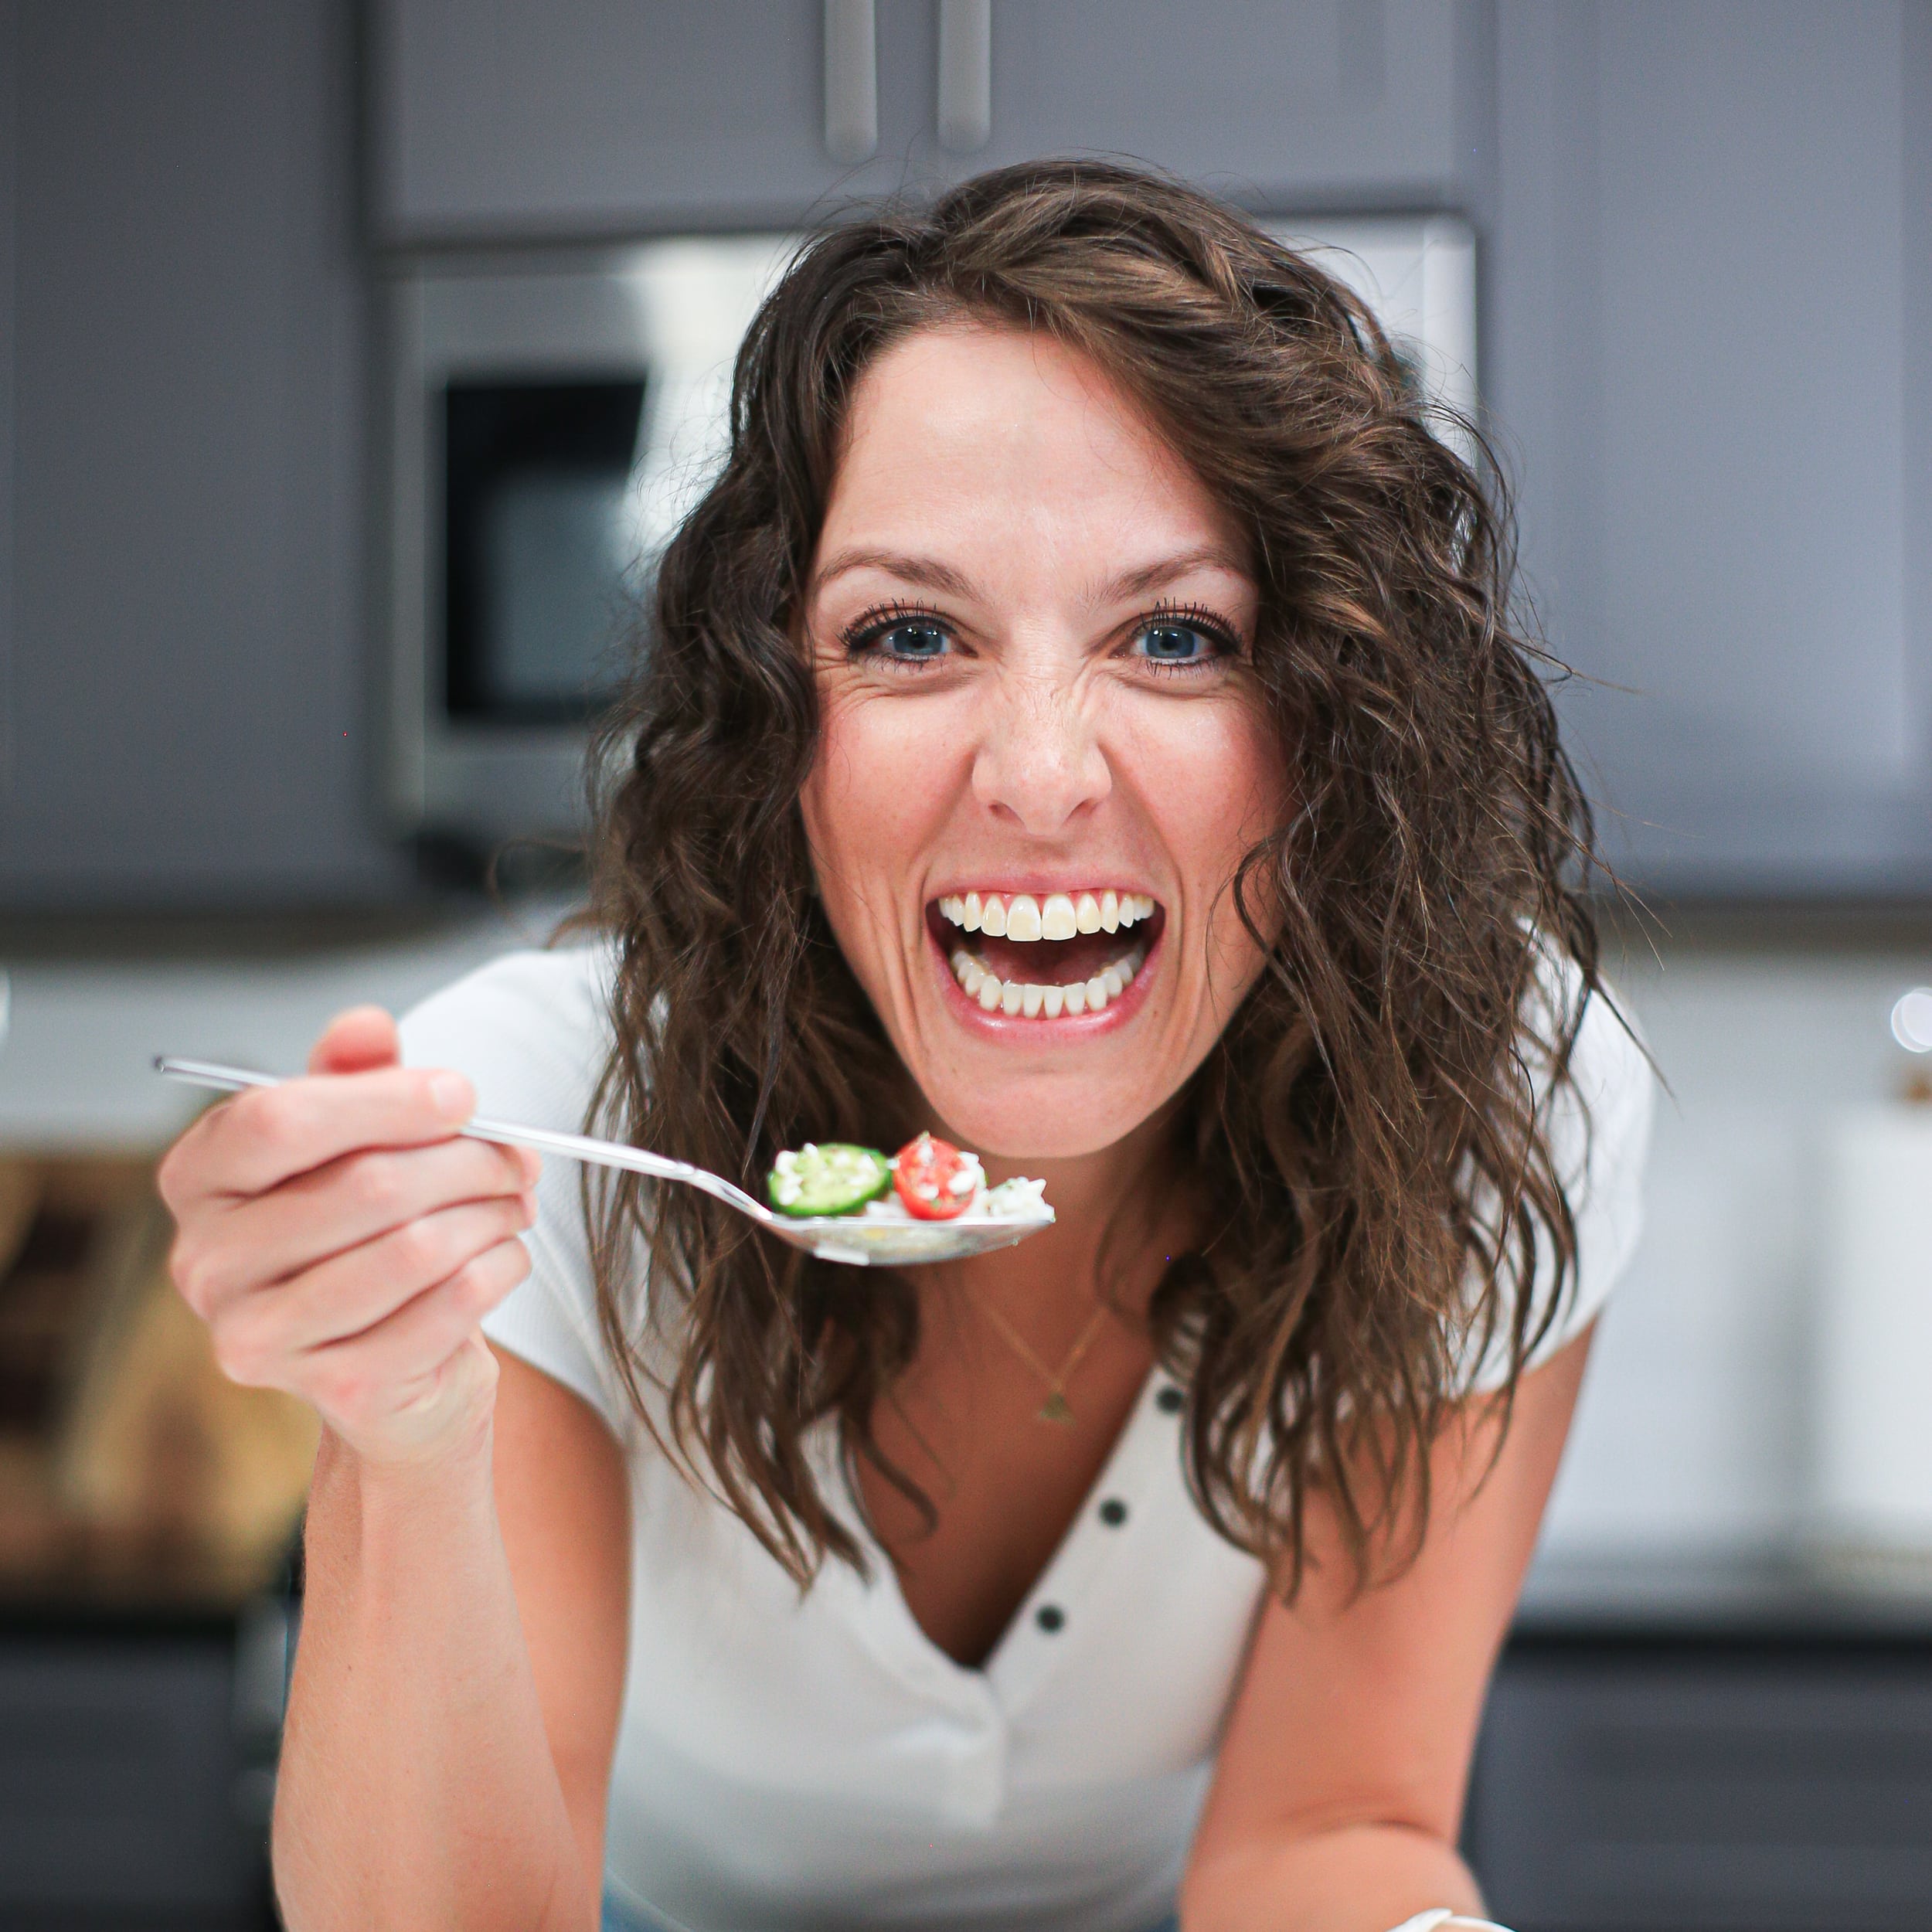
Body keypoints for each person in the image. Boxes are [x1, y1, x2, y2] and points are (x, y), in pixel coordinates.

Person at [158, 162, 1652, 1932]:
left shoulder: (1486, 1095)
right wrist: (399, 1435)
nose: (1034, 773)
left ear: (1326, 727)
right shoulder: (531, 1115)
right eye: (908, 634)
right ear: (777, 723)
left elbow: (1323, 1831)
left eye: (1174, 636)